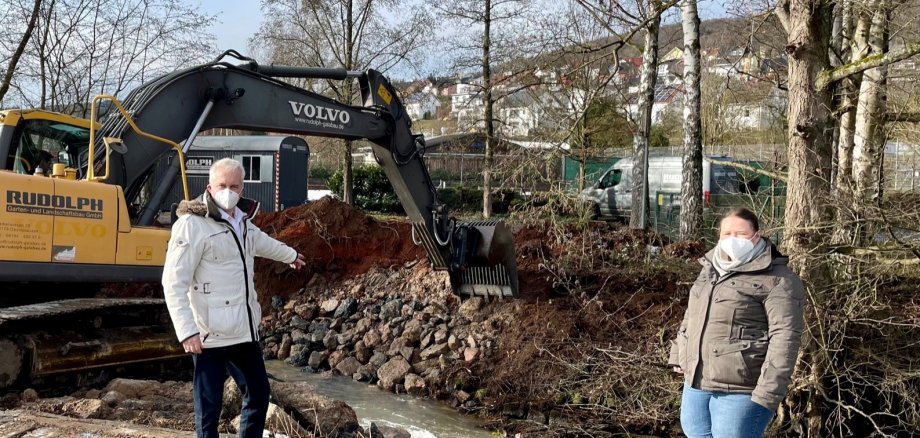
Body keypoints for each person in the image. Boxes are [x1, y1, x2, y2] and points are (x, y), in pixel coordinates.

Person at [162, 158, 306, 438]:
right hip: (208, 334)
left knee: (259, 393)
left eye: (234, 185)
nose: (228, 191)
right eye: (222, 185)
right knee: (209, 407)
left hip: (243, 329)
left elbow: (262, 242)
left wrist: (290, 256)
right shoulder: (191, 225)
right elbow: (173, 281)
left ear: (242, 189)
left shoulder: (242, 220)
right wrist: (186, 331)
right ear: (209, 187)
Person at [668, 207, 804, 438]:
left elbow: (785, 338)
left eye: (740, 234)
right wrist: (678, 354)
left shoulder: (778, 279)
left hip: (742, 387)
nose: (732, 240)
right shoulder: (710, 269)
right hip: (696, 380)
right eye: (726, 234)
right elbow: (691, 315)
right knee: (695, 432)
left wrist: (768, 391)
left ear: (756, 236)